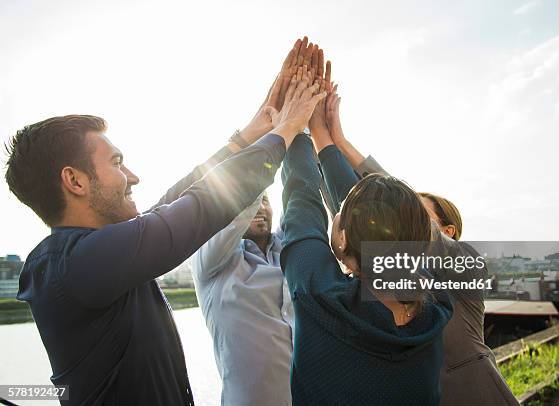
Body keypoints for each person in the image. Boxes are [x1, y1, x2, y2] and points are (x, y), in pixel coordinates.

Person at [4, 64, 326, 405]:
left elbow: (176, 200)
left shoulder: (92, 257)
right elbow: (196, 207)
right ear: (75, 181)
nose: (132, 176)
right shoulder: (78, 264)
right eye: (116, 162)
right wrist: (289, 128)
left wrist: (252, 132)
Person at [322, 85, 518, 405]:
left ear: (448, 230)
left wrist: (341, 143)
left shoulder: (466, 264)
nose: (403, 225)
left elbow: (403, 207)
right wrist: (325, 143)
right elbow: (357, 217)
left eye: (417, 217)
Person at [278, 68, 453, 404]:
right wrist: (324, 137)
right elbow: (377, 215)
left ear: (342, 239)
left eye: (341, 211)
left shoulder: (320, 296)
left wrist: (298, 125)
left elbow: (301, 197)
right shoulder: (436, 301)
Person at [190, 37, 329, 406]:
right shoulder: (212, 261)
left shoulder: (291, 252)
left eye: (265, 201)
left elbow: (305, 199)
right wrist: (280, 125)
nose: (259, 207)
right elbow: (236, 193)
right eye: (254, 202)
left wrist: (310, 130)